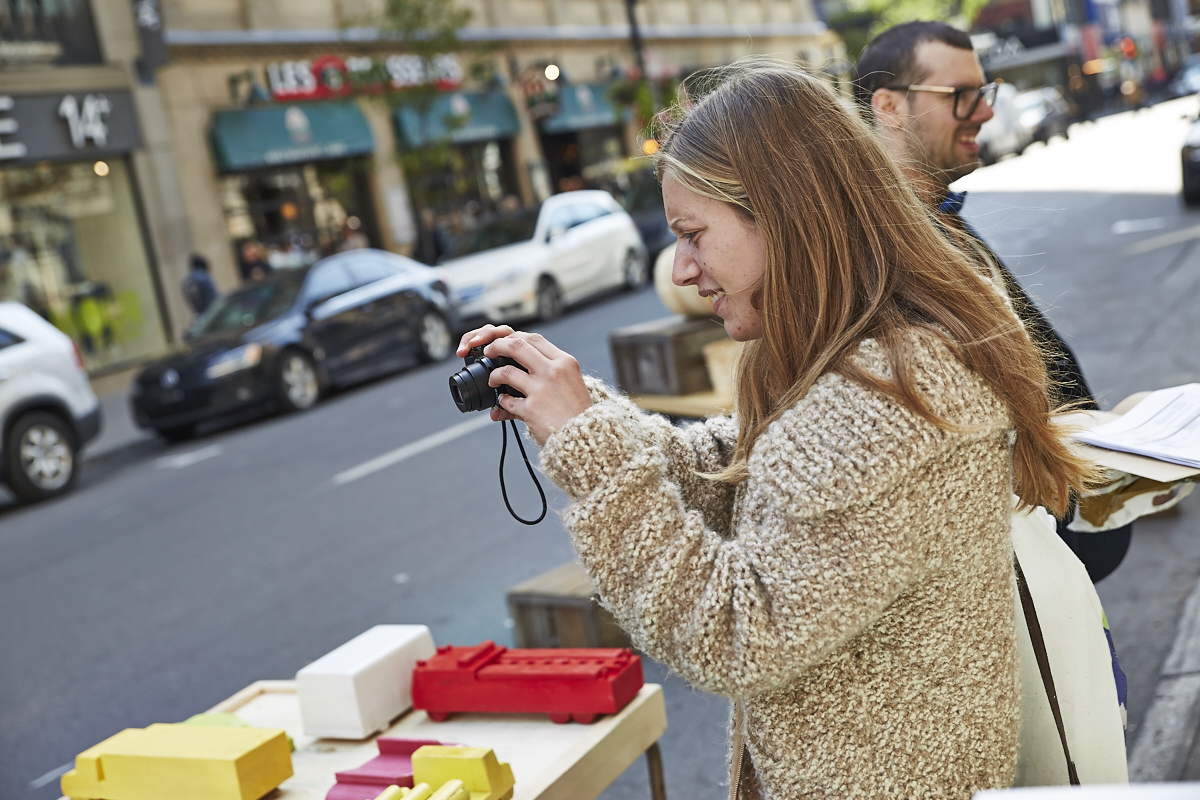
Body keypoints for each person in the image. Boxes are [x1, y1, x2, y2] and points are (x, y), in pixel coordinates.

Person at [458, 62, 1095, 798]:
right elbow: (729, 473)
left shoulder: (894, 390)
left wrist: (592, 450)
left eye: (694, 234)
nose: (685, 269)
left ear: (783, 212)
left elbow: (737, 632)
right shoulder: (854, 353)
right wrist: (573, 411)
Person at [851, 21, 1132, 583]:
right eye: (961, 96)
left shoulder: (937, 221)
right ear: (888, 105)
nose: (983, 112)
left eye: (985, 93)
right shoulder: (885, 250)